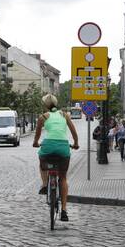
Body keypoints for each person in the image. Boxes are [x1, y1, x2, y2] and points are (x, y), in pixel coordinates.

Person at [33, 94, 79, 222]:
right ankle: (64, 210)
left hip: (48, 146)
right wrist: (75, 143)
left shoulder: (43, 117)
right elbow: (73, 131)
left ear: (45, 105)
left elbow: (37, 134)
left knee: (42, 160)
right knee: (63, 177)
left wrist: (36, 143)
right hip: (63, 147)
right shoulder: (65, 115)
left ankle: (45, 183)